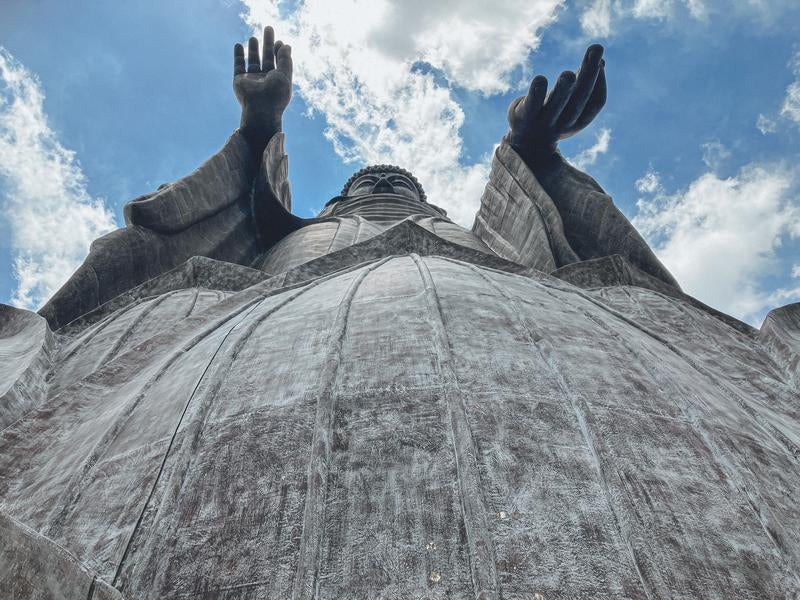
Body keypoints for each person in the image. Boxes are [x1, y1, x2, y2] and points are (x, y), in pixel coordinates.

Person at [1, 27, 798, 600]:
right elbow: (219, 219)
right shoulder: (285, 234)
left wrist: (539, 161)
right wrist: (258, 130)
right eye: (368, 185)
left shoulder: (487, 240)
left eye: (401, 185)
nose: (384, 190)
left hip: (549, 348)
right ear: (335, 199)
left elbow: (563, 246)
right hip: (239, 359)